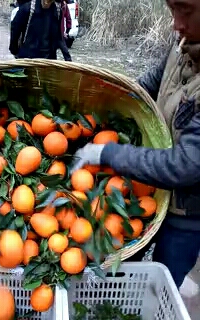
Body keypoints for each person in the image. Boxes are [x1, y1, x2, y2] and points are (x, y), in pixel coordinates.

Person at [70, 0, 200, 289]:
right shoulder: (182, 46)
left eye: (186, 11)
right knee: (121, 257)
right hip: (147, 184)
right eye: (172, 10)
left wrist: (109, 153)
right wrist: (103, 107)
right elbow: (143, 87)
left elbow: (185, 166)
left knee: (160, 283)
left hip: (186, 211)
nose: (175, 23)